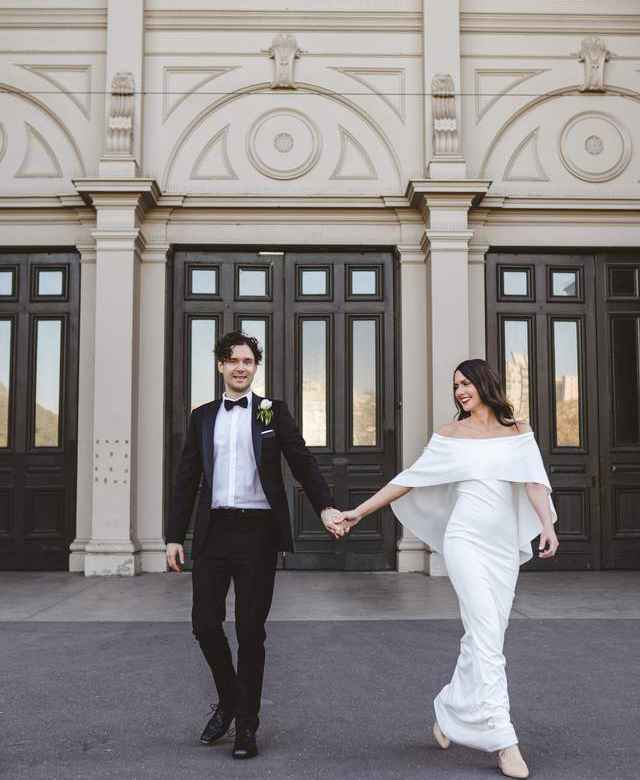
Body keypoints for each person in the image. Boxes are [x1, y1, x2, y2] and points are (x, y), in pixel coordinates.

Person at [341, 358, 559, 779]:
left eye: (466, 383)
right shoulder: (449, 435)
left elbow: (534, 481)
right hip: (465, 542)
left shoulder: (519, 431)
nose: (459, 391)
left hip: (500, 547)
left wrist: (547, 528)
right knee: (486, 636)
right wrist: (359, 512)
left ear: (485, 384)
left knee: (486, 633)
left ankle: (449, 709)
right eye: (455, 385)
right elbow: (409, 479)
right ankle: (503, 739)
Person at [165, 331, 344, 760]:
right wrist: (173, 535)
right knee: (204, 624)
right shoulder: (203, 416)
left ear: (255, 367)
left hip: (258, 533)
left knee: (250, 631)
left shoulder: (270, 412)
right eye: (233, 360)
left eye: (248, 360)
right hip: (214, 531)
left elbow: (301, 459)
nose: (241, 367)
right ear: (221, 366)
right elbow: (187, 477)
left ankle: (247, 723)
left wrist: (325, 508)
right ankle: (230, 700)